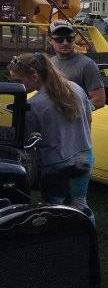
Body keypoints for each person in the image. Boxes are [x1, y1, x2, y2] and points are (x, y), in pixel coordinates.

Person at [8, 52, 95, 223]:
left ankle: (57, 236)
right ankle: (87, 234)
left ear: (34, 76)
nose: (16, 85)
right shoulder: (76, 88)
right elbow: (89, 119)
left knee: (54, 207)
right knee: (80, 203)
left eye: (18, 81)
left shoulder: (32, 106)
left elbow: (26, 141)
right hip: (84, 155)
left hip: (55, 163)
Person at [48, 20, 106, 110]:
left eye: (69, 38)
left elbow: (99, 100)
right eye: (59, 39)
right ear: (50, 41)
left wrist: (71, 111)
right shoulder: (50, 63)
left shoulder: (87, 65)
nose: (65, 43)